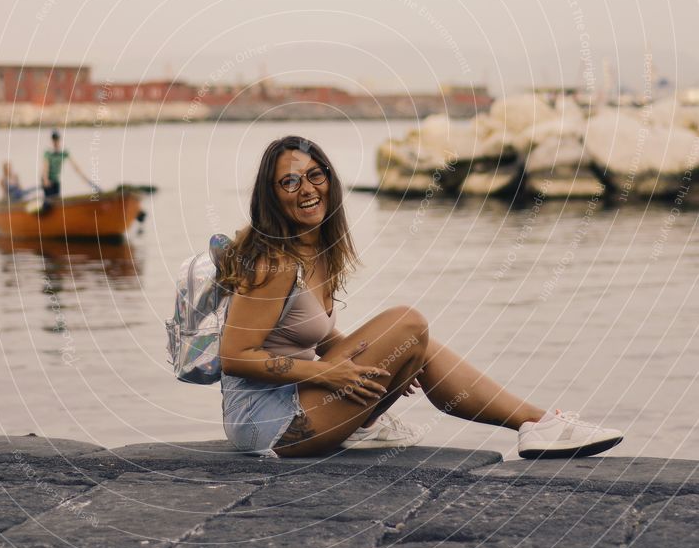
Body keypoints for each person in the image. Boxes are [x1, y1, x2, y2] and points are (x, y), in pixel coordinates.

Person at [217, 134, 624, 459]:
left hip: (299, 407)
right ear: (272, 195)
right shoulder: (274, 262)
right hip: (266, 423)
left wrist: (398, 357)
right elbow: (235, 356)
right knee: (407, 320)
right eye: (289, 181)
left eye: (314, 175)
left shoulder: (317, 253)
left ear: (329, 179)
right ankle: (537, 424)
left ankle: (535, 424)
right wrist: (329, 373)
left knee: (415, 341)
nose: (306, 188)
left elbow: (318, 340)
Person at [41, 130, 95, 197]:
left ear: (59, 140)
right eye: (54, 139)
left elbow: (75, 166)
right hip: (47, 179)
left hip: (56, 180)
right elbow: (45, 167)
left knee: (57, 199)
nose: (55, 142)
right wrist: (46, 180)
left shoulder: (63, 153)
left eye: (56, 139)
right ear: (52, 140)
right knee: (49, 201)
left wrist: (85, 179)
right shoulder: (48, 153)